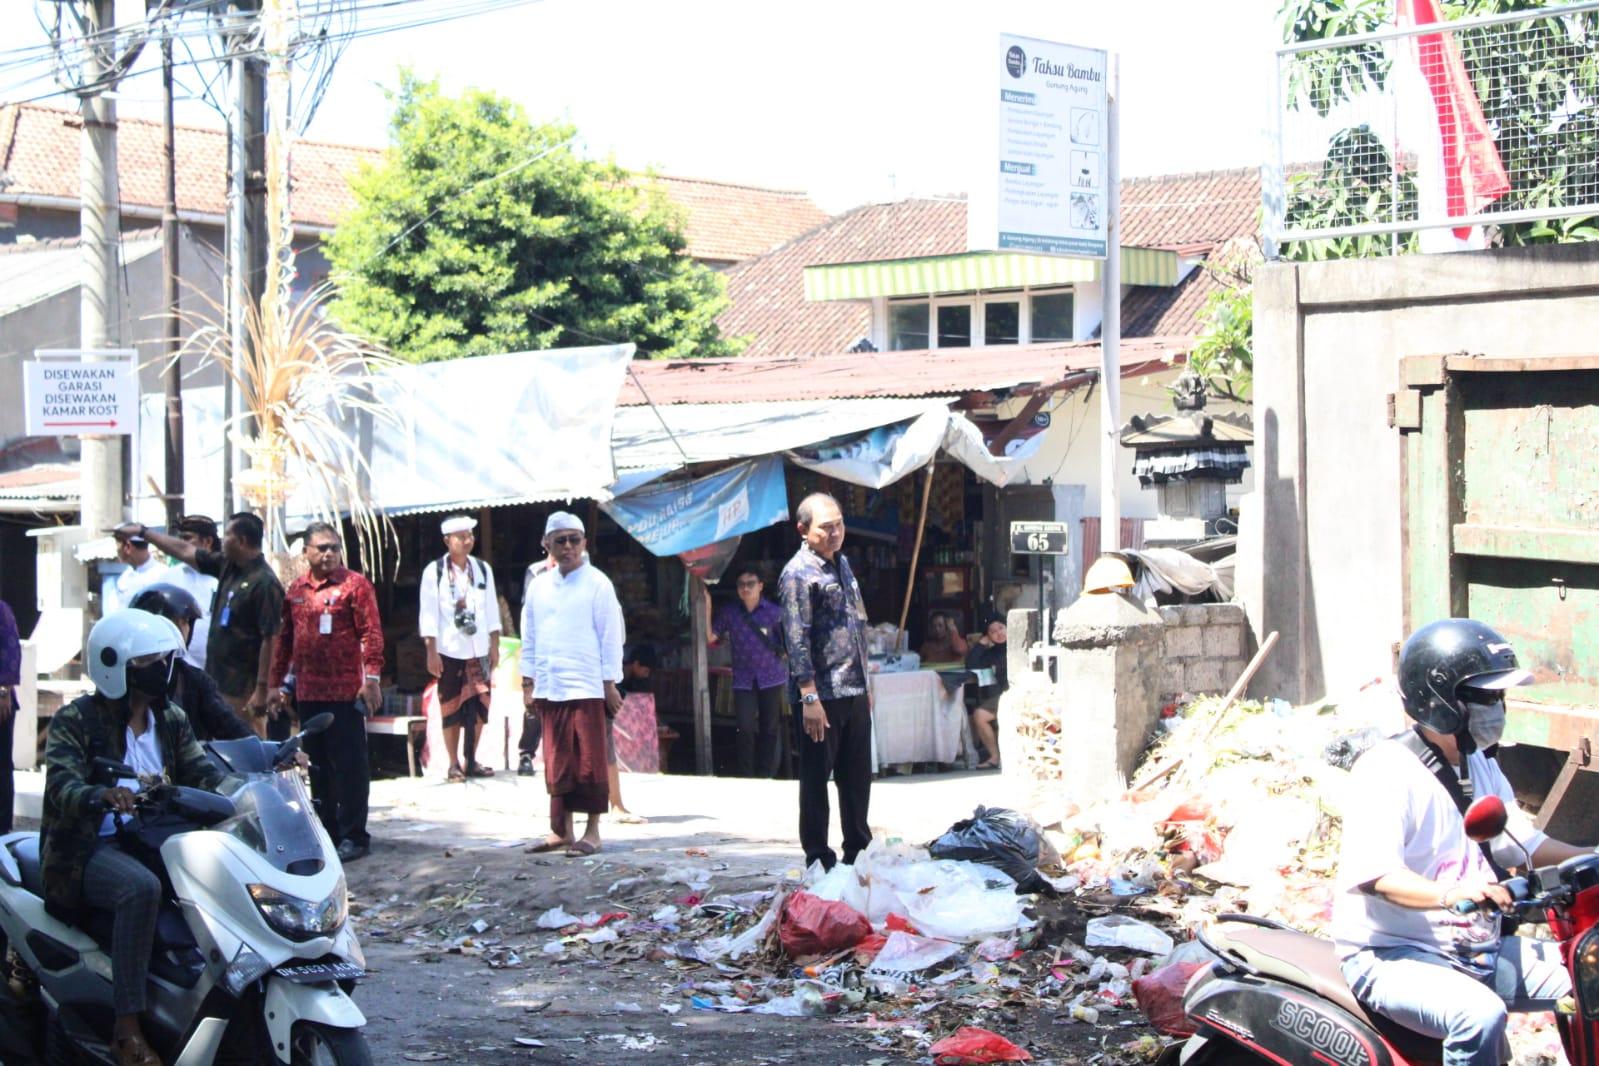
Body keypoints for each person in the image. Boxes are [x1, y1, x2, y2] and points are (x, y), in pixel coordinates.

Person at [1333, 618, 1595, 1065]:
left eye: (1499, 697)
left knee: (1589, 977)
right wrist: (1451, 894)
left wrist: (1590, 856)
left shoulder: (1479, 763)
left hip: (1476, 949)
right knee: (1479, 1015)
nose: (1498, 708)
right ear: (1440, 699)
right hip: (1392, 955)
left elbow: (1522, 844)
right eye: (1485, 697)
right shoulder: (1387, 771)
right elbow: (1378, 877)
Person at [42, 609, 224, 1066]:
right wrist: (100, 795)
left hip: (152, 839)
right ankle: (126, 1028)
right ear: (115, 667)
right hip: (87, 847)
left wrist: (254, 779)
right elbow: (61, 786)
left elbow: (203, 774)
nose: (161, 669)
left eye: (164, 660)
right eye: (148, 662)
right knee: (141, 889)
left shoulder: (171, 718)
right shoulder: (76, 720)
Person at [268, 523, 384, 862]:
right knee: (318, 767)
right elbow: (285, 642)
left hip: (347, 693)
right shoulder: (296, 590)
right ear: (306, 551)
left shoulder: (355, 585)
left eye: (334, 547)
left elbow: (372, 634)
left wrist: (372, 678)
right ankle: (327, 833)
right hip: (309, 692)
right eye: (321, 548)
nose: (329, 553)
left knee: (350, 767)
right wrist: (275, 684)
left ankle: (355, 836)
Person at [519, 513, 623, 857]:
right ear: (546, 544)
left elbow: (611, 637)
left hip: (587, 685)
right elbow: (529, 638)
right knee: (557, 761)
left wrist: (610, 683)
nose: (568, 547)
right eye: (560, 540)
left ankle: (592, 832)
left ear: (584, 543)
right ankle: (561, 830)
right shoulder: (538, 586)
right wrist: (528, 682)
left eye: (574, 540)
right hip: (551, 686)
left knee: (590, 762)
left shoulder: (598, 583)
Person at [119, 515, 283, 733]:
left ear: (242, 541)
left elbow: (271, 638)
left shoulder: (264, 582)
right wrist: (143, 532)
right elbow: (185, 551)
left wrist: (263, 688)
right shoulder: (228, 567)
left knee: (246, 742)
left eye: (227, 535)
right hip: (218, 681)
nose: (222, 541)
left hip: (243, 689)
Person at [779, 493, 873, 872]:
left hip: (854, 687)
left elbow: (857, 623)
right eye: (826, 527)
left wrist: (866, 684)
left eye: (839, 525)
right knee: (816, 780)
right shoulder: (797, 574)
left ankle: (858, 852)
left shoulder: (842, 564)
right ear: (803, 530)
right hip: (821, 693)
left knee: (857, 778)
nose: (835, 533)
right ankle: (819, 858)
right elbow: (796, 638)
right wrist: (808, 696)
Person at [419, 515, 502, 782]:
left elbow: (492, 609)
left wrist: (495, 644)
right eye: (461, 537)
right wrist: (431, 651)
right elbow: (428, 614)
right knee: (451, 706)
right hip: (450, 648)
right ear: (447, 541)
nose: (467, 541)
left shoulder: (482, 569)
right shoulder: (434, 571)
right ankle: (453, 762)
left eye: (470, 536)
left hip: (479, 647)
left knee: (481, 705)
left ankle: (471, 759)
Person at [127, 585, 254, 742]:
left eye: (187, 622)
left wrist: (264, 749)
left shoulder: (193, 680)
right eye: (184, 621)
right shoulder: (121, 676)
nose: (185, 628)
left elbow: (232, 728)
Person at [708, 566, 788, 778]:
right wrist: (706, 604)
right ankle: (746, 775)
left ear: (760, 586)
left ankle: (765, 774)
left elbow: (788, 643)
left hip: (771, 677)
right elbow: (711, 637)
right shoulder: (730, 613)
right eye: (741, 585)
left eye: (750, 584)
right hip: (743, 679)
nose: (745, 588)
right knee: (744, 728)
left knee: (769, 728)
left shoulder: (774, 613)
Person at [163, 515, 221, 670]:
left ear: (207, 542)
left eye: (187, 538)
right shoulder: (169, 578)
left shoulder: (224, 577)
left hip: (217, 667)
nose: (181, 544)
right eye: (180, 539)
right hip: (179, 666)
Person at [964, 613, 1008, 770]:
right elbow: (971, 664)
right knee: (979, 715)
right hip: (1004, 696)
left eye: (1001, 628)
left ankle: (997, 757)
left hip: (1021, 693)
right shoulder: (992, 653)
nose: (999, 633)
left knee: (980, 715)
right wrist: (982, 643)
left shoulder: (1019, 646)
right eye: (993, 632)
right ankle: (995, 757)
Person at [106, 527, 162, 613]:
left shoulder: (162, 575)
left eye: (118, 545)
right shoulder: (125, 577)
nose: (116, 550)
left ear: (128, 547)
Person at [0, 597, 18, 835]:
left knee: (1, 765)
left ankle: (2, 828)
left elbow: (11, 650)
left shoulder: (1, 609)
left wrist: (4, 690)